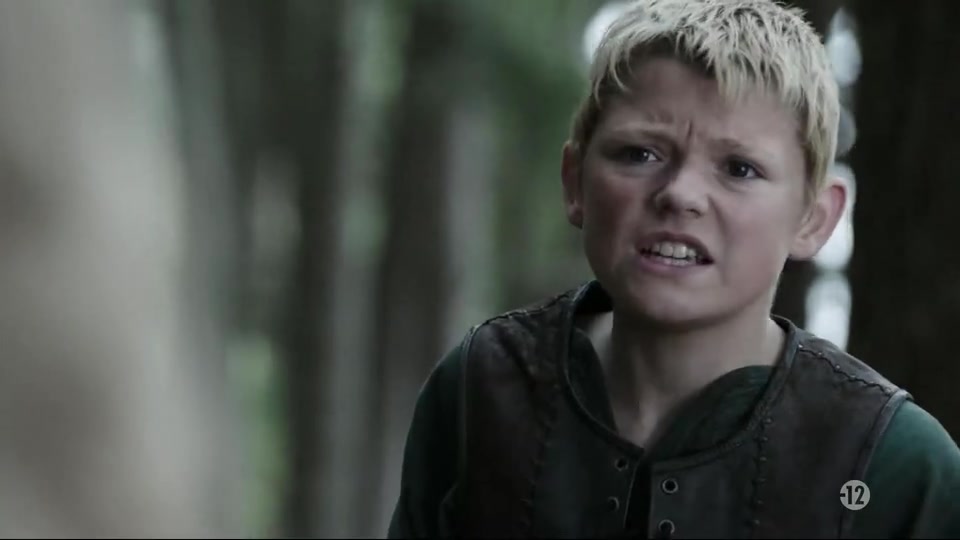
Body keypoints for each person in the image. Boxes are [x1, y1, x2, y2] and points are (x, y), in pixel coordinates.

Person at [387, 0, 960, 537]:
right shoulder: (483, 390)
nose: (680, 193)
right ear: (575, 181)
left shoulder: (895, 465)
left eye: (739, 168)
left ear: (814, 218)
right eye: (640, 154)